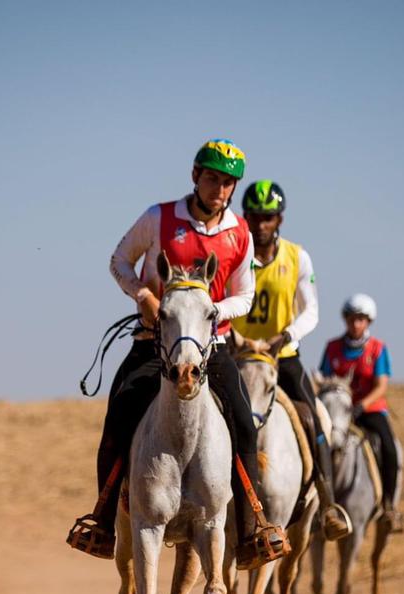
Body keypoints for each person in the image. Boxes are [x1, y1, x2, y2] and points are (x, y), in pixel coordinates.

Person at [67, 139, 289, 570]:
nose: (219, 189)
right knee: (119, 416)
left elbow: (246, 295)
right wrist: (144, 294)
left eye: (228, 182)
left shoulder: (239, 233)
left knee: (244, 424)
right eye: (212, 178)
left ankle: (251, 532)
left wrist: (212, 313)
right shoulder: (159, 218)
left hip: (213, 347)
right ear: (194, 176)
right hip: (152, 343)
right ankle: (104, 521)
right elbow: (119, 261)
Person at [231, 180, 353, 541]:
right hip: (237, 354)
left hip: (281, 356)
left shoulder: (298, 257)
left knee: (314, 416)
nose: (260, 224)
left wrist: (283, 337)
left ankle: (328, 503)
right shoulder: (235, 255)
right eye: (254, 217)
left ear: (279, 219)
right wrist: (235, 338)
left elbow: (311, 311)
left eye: (267, 217)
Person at [319, 294, 404, 532]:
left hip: (368, 410)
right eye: (351, 319)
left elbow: (382, 386)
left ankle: (389, 506)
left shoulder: (378, 349)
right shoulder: (332, 348)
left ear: (368, 322)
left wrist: (361, 405)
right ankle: (312, 501)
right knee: (316, 442)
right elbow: (325, 380)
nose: (355, 324)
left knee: (389, 448)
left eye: (361, 319)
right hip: (337, 412)